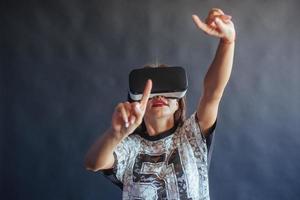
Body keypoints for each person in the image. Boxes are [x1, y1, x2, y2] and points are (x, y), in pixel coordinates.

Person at [84, 8, 235, 200]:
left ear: (178, 104)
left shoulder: (191, 134)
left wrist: (227, 42)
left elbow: (213, 92)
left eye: (167, 90)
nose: (159, 96)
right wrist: (115, 135)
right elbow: (92, 163)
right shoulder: (130, 148)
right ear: (137, 102)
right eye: (151, 92)